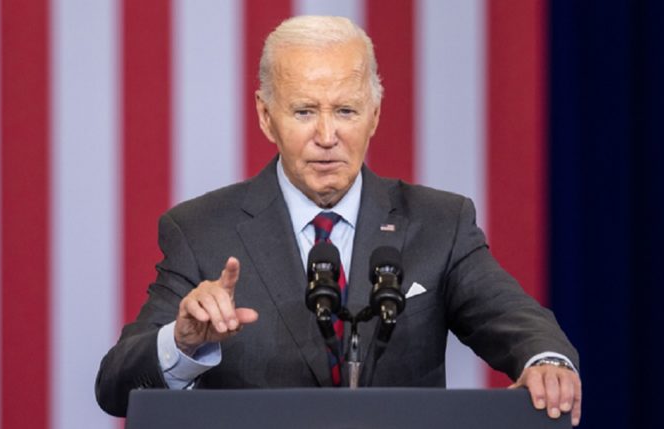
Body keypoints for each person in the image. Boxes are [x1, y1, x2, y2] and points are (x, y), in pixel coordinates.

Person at [95, 15, 582, 426]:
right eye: (305, 111)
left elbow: (516, 320)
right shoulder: (201, 230)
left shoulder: (439, 223)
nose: (327, 136)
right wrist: (182, 343)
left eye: (345, 110)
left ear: (373, 114)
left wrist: (546, 361)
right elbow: (117, 385)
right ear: (267, 117)